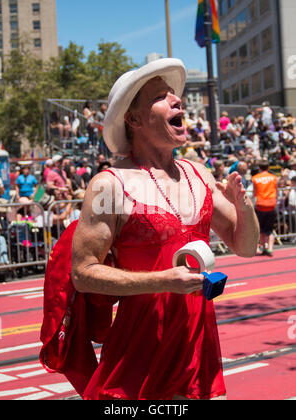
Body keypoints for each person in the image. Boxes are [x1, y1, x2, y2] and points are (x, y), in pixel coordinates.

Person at [70, 58, 260, 401]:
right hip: (140, 353)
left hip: (199, 342)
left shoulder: (199, 174)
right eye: (161, 96)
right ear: (134, 118)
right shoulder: (109, 186)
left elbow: (244, 246)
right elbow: (83, 273)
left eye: (176, 95)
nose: (178, 101)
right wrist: (162, 281)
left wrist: (244, 207)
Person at [252, 159, 278, 256]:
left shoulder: (255, 178)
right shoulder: (274, 178)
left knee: (261, 229)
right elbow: (276, 190)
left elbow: (255, 193)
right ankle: (270, 249)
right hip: (271, 204)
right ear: (268, 168)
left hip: (260, 205)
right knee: (270, 229)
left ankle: (264, 248)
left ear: (259, 168)